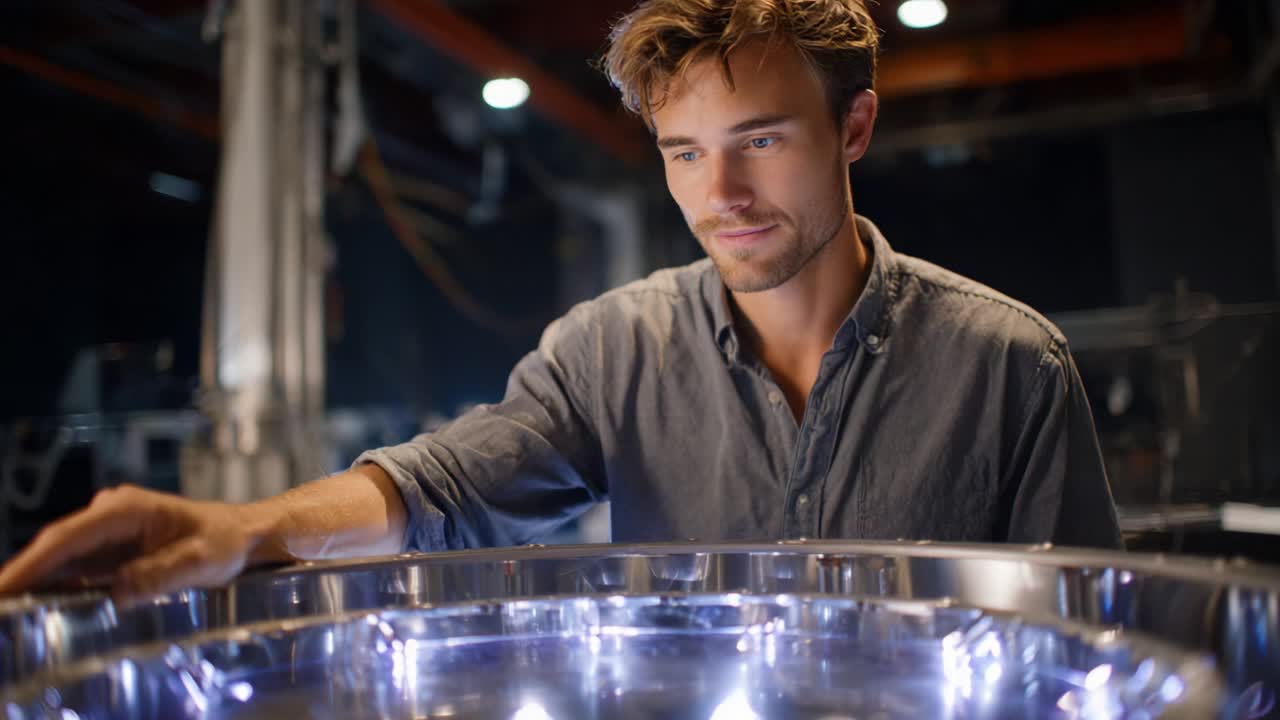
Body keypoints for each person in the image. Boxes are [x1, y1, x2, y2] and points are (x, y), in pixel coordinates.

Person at [0, 0, 1121, 605]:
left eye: (759, 143)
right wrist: (241, 533)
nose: (717, 196)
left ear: (855, 129)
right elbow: (447, 486)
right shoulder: (612, 349)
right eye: (682, 154)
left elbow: (1085, 643)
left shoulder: (1007, 365)